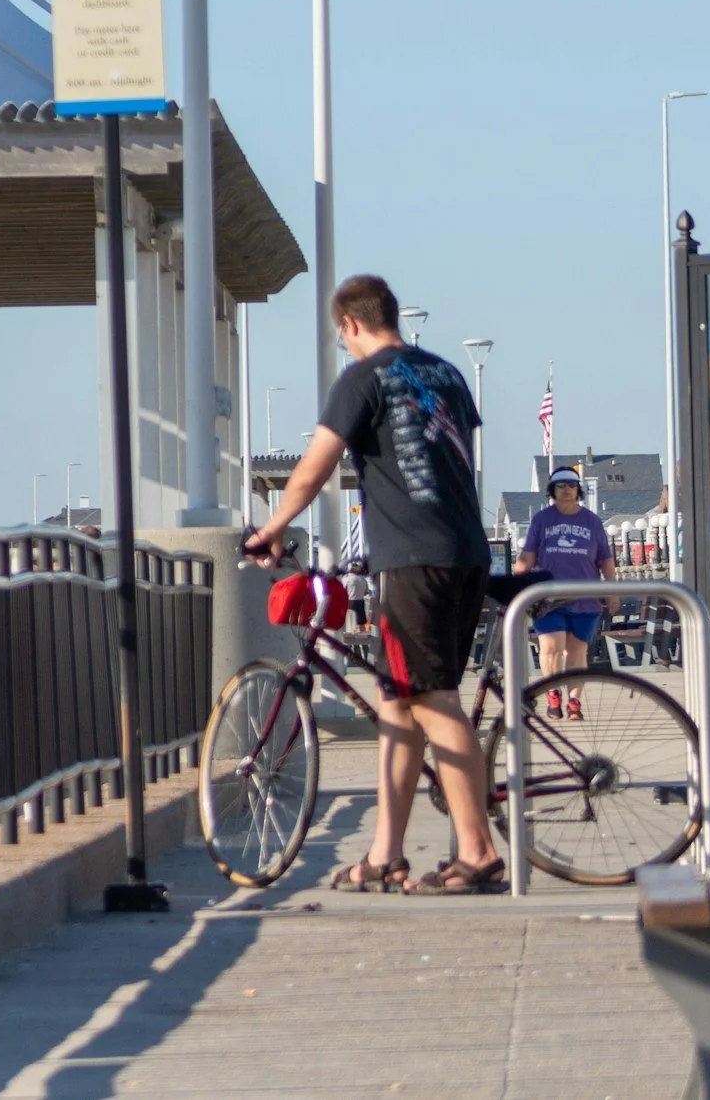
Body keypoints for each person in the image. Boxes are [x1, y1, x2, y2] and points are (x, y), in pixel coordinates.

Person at [246, 274, 506, 894]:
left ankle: (477, 851)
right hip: (466, 549)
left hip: (414, 558)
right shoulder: (446, 374)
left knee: (433, 701)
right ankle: (385, 855)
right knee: (400, 702)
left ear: (349, 327)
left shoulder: (361, 379)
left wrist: (273, 527)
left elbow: (316, 464)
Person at [516, 467, 617, 719]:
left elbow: (606, 559)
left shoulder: (592, 521)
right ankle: (553, 694)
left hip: (585, 596)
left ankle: (574, 702)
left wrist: (613, 590)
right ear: (552, 490)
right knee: (551, 646)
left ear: (578, 489)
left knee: (576, 651)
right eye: (560, 485)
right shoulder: (542, 519)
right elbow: (528, 556)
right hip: (548, 598)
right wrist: (515, 582)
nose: (567, 490)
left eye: (572, 485)